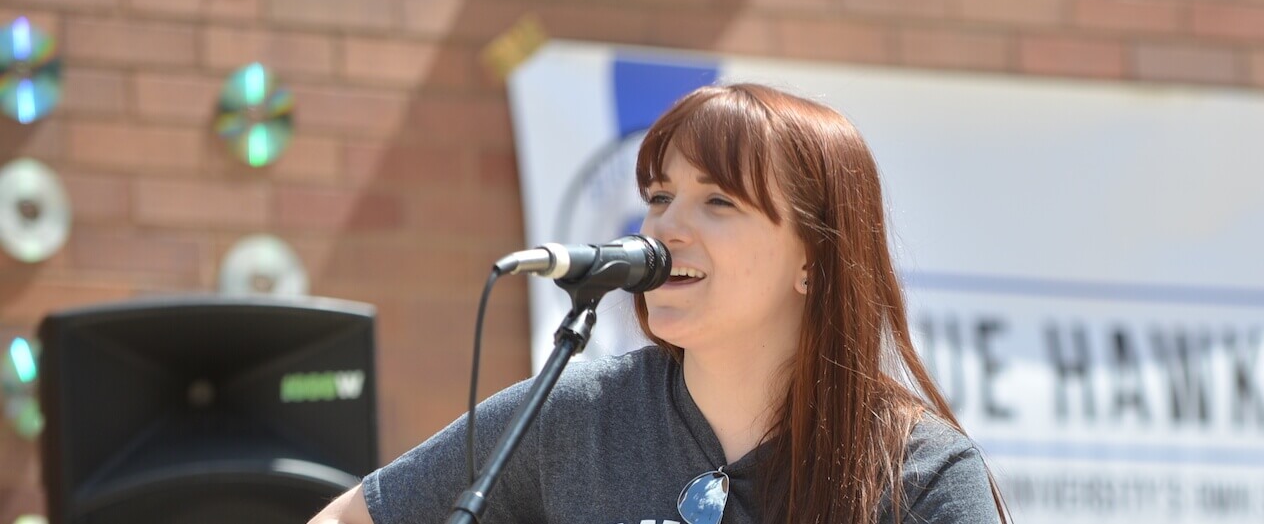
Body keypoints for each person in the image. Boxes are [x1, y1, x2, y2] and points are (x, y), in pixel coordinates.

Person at [310, 83, 1009, 524]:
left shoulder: (920, 476)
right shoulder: (576, 414)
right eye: (659, 197)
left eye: (718, 201)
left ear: (812, 260)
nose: (665, 228)